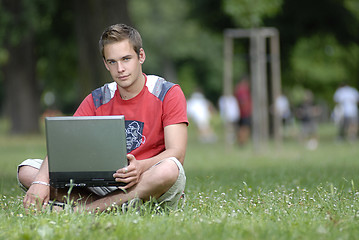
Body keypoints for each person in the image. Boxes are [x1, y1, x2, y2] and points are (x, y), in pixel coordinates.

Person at [17, 23, 188, 213]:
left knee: (169, 169)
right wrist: (41, 180)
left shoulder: (167, 92)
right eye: (112, 62)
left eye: (126, 59)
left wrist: (140, 166)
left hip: (147, 182)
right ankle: (111, 208)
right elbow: (64, 142)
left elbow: (177, 152)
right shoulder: (99, 97)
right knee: (27, 170)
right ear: (106, 64)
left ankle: (84, 210)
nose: (120, 68)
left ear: (141, 56)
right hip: (107, 183)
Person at [234, 76, 252, 145]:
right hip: (244, 112)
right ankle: (241, 142)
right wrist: (246, 108)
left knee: (243, 128)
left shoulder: (239, 89)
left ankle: (242, 142)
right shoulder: (242, 90)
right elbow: (242, 101)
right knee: (244, 128)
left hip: (242, 112)